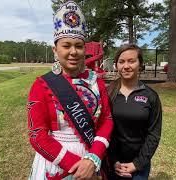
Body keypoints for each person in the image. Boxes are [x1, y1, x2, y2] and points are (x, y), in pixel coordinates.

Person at [26, 1, 113, 179]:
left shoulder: (96, 82)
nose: (73, 51)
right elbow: (37, 135)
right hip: (56, 163)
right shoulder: (42, 85)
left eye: (79, 46)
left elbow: (107, 121)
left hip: (92, 158)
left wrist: (93, 158)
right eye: (66, 46)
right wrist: (75, 165)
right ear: (55, 50)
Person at [107, 44, 162, 180]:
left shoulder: (151, 96)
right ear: (116, 65)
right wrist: (113, 161)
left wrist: (137, 164)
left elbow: (154, 134)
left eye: (131, 61)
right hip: (111, 162)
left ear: (140, 64)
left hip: (139, 165)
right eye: (121, 62)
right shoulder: (107, 93)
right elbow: (102, 129)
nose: (126, 66)